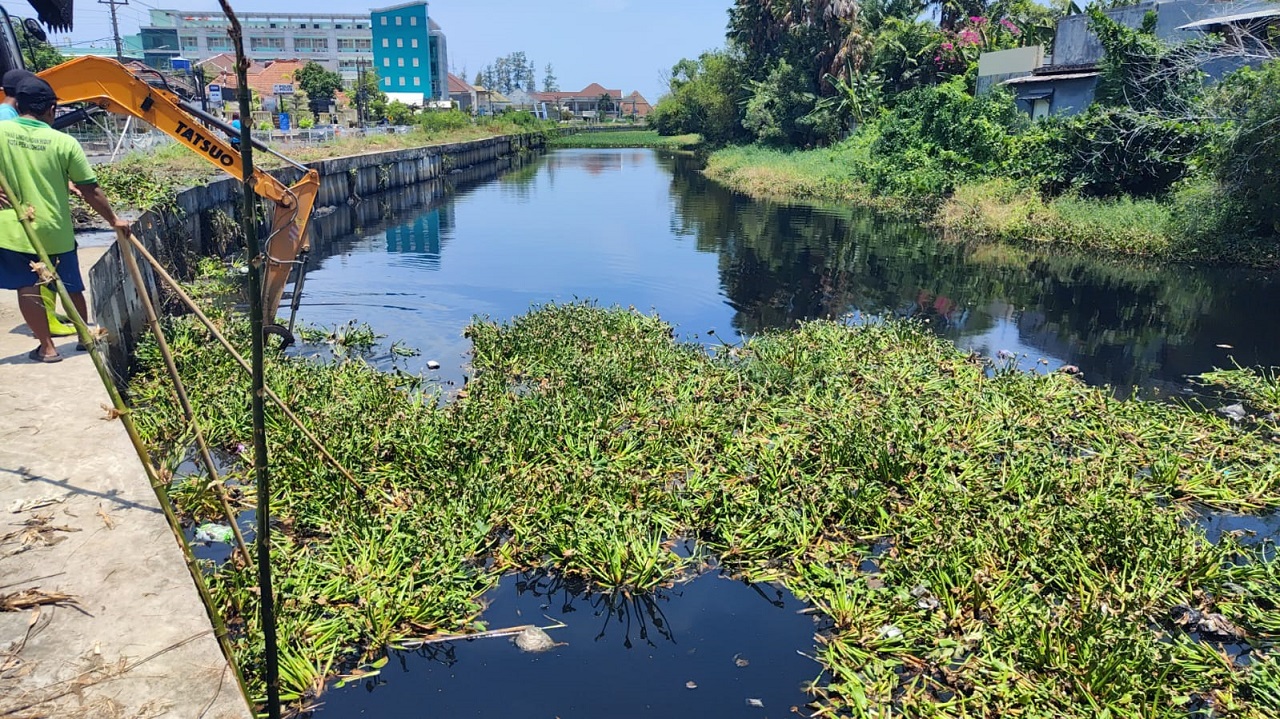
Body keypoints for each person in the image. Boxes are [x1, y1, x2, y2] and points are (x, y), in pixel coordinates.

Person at [0, 76, 130, 363]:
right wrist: (114, 220)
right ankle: (85, 337)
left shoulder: (1, 131)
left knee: (28, 286)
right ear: (52, 109)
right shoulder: (63, 142)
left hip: (14, 228)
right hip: (54, 227)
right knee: (70, 284)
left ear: (17, 105)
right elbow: (89, 188)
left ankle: (47, 348)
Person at [1, 68, 75, 337]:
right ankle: (51, 331)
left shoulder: (7, 122)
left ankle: (47, 339)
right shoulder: (6, 121)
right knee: (40, 277)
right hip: (31, 218)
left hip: (24, 219)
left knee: (34, 279)